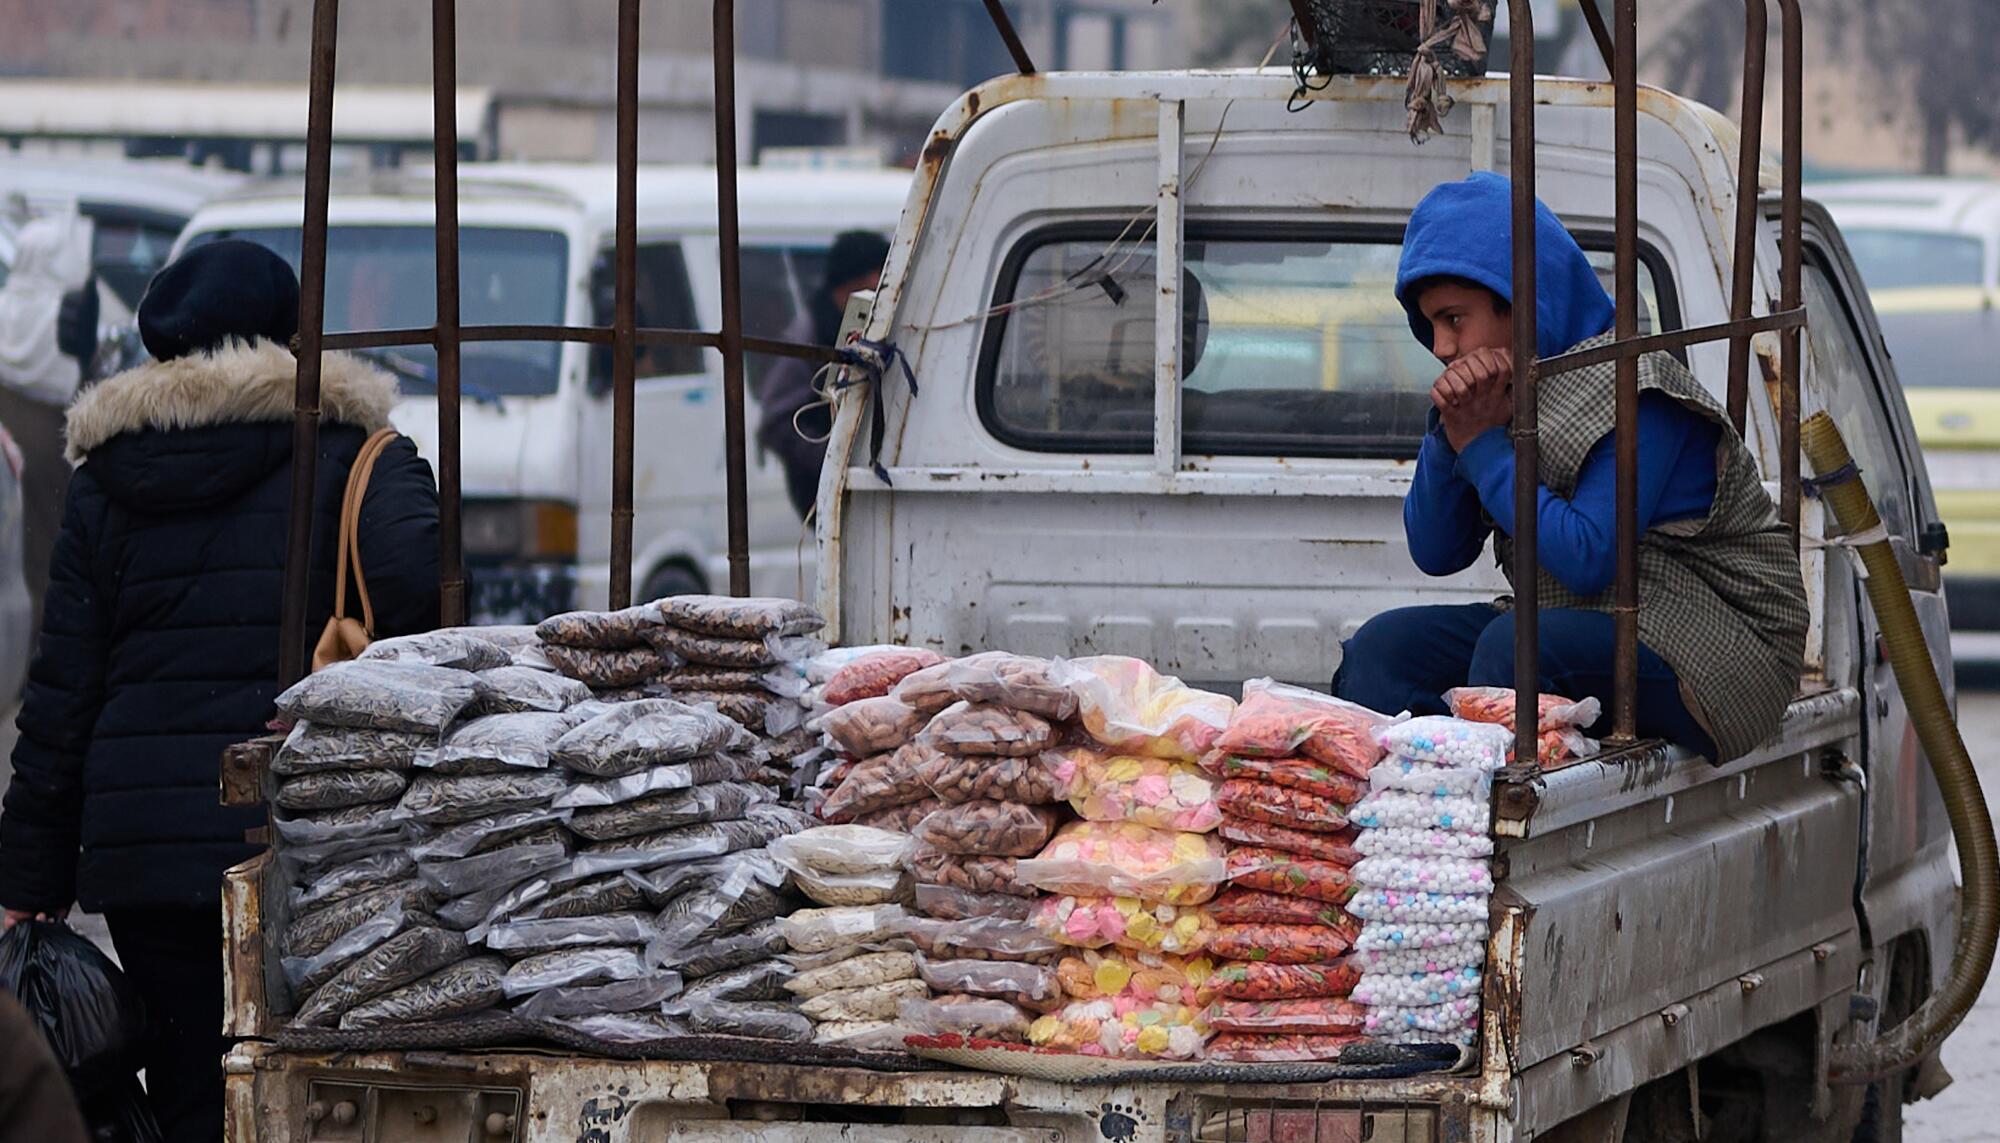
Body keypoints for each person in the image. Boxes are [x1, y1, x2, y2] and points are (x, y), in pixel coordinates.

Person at [0, 240, 442, 1142]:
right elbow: (425, 600)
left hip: (147, 859)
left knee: (197, 1087)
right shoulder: (349, 451)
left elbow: (62, 690)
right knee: (320, 1080)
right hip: (312, 838)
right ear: (286, 333)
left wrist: (28, 875)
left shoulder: (107, 480)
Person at [1333, 173, 1807, 762]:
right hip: (1583, 622)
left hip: (1719, 650)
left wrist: (1482, 445)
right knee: (1385, 648)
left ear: (1523, 301)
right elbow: (1437, 552)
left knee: (1516, 650)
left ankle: (1490, 824)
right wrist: (1449, 433)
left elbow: (1587, 558)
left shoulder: (1638, 386)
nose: (1442, 347)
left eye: (1455, 319)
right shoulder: (1508, 390)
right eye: (1430, 326)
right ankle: (1413, 811)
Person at [0, 209, 101, 655]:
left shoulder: (6, 307)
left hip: (11, 432)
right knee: (44, 556)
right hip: (53, 442)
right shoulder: (65, 309)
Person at [757, 230, 890, 519]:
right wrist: (833, 458)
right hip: (824, 496)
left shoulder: (872, 325)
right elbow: (776, 421)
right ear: (863, 279)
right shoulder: (810, 334)